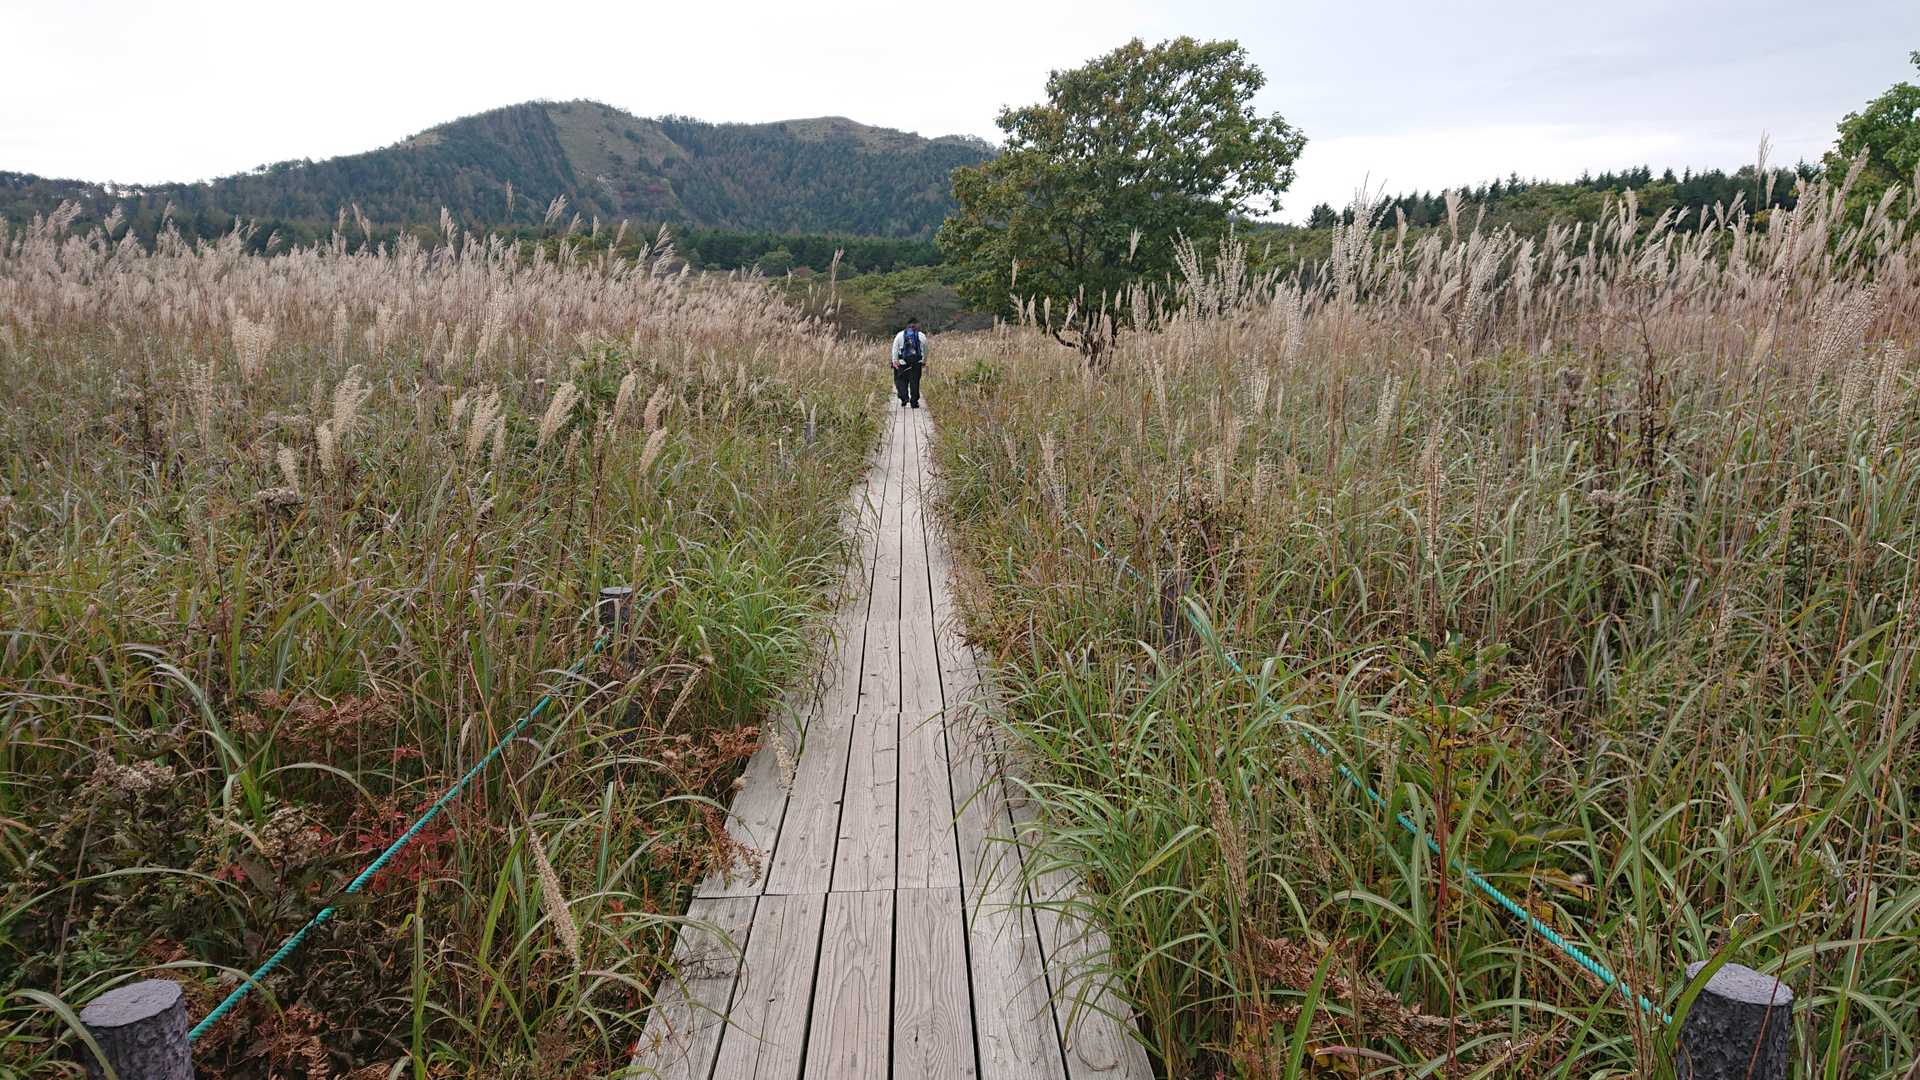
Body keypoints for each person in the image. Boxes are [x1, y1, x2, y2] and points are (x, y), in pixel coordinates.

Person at [889, 317, 927, 408]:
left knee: (901, 380)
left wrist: (894, 361)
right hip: (916, 363)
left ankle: (904, 397)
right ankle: (914, 402)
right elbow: (925, 350)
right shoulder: (921, 336)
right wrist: (924, 361)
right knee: (915, 382)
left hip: (902, 363)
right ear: (916, 325)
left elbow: (895, 349)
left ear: (907, 325)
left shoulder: (899, 335)